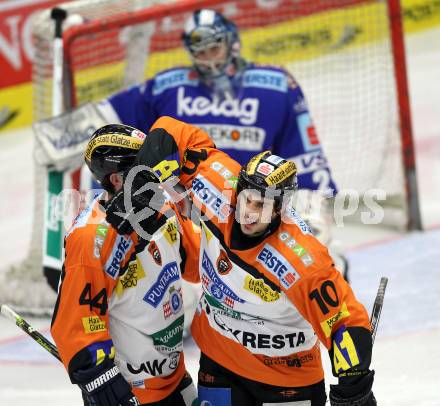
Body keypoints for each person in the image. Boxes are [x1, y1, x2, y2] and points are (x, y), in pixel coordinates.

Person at [104, 116, 376, 406]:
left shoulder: (302, 260)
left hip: (287, 379)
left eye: (262, 205)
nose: (248, 212)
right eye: (246, 199)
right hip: (220, 363)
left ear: (280, 209)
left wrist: (354, 386)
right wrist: (138, 186)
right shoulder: (219, 186)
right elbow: (171, 130)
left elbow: (346, 322)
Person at [50, 124, 199, 405]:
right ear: (118, 181)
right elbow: (76, 323)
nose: (156, 175)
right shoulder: (91, 238)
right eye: (145, 169)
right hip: (132, 392)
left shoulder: (164, 208)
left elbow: (196, 265)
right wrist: (102, 381)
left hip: (175, 378)